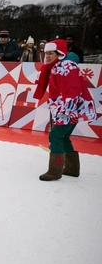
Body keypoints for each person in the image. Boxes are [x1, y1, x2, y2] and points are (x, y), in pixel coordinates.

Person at [33, 39, 96, 181]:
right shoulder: (58, 66)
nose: (47, 56)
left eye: (50, 53)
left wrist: (65, 110)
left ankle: (55, 171)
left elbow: (72, 89)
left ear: (59, 53)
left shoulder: (65, 66)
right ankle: (72, 168)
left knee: (55, 136)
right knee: (63, 136)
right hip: (70, 107)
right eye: (46, 53)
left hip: (69, 109)